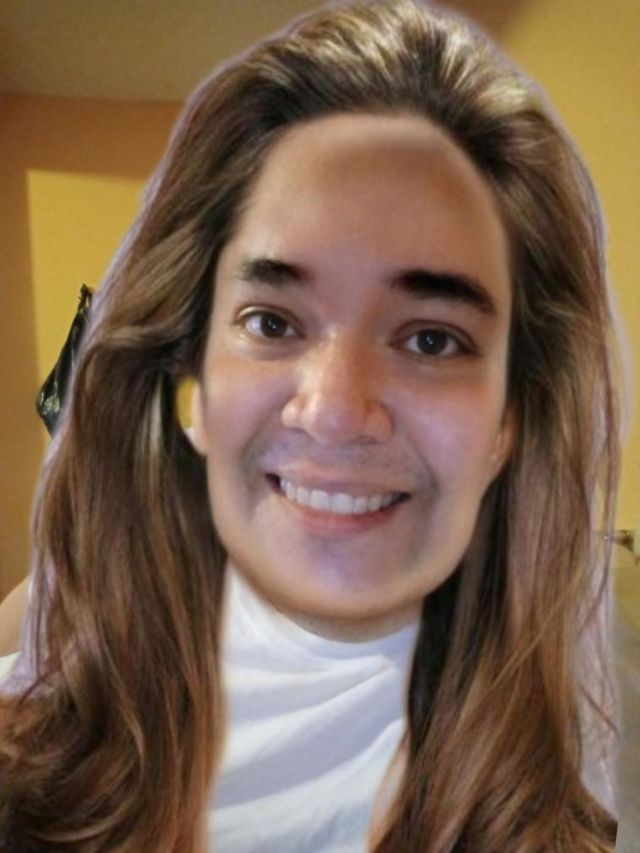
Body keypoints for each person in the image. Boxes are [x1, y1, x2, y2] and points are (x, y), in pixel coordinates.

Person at [0, 0, 625, 850]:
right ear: (192, 380)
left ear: (510, 422)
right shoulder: (35, 725)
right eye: (272, 322)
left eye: (432, 339)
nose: (334, 410)